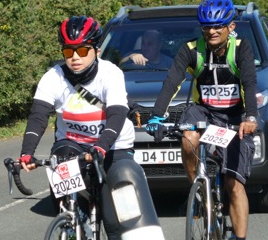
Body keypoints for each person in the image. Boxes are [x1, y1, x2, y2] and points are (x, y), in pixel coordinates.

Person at [18, 15, 163, 240]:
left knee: (117, 213)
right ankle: (72, 223)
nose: (75, 57)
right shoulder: (53, 77)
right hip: (72, 145)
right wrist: (27, 152)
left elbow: (116, 114)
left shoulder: (110, 73)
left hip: (112, 146)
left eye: (83, 50)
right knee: (62, 160)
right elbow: (38, 116)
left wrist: (102, 146)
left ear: (96, 50)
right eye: (68, 51)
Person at [146, 0, 257, 240]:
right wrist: (156, 115)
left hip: (235, 116)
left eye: (218, 26)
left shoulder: (241, 49)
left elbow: (249, 82)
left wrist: (250, 117)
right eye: (206, 26)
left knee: (234, 186)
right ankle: (199, 190)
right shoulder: (191, 50)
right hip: (203, 112)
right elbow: (172, 81)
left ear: (231, 27)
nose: (212, 31)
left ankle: (239, 238)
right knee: (188, 137)